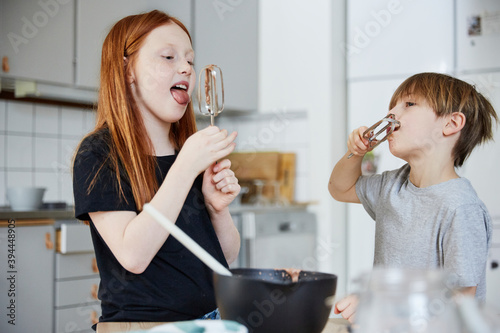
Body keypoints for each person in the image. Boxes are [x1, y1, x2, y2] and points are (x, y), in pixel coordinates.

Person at [72, 10, 241, 327]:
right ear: (127, 70)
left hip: (210, 320)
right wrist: (185, 168)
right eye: (168, 56)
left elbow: (227, 257)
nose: (186, 69)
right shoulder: (99, 152)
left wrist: (217, 209)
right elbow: (133, 256)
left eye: (190, 61)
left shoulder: (187, 151)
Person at [328, 72, 498, 322]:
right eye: (391, 107)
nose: (391, 115)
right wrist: (355, 153)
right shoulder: (392, 186)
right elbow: (339, 189)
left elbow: (461, 301)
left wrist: (381, 302)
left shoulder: (461, 207)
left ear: (451, 124)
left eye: (408, 104)